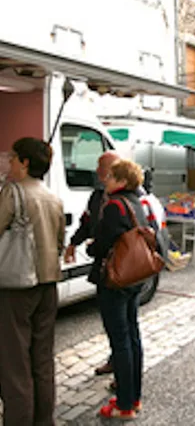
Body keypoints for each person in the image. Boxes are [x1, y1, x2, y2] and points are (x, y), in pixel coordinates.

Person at [0, 137, 65, 426]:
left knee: (14, 362)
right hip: (48, 284)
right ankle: (43, 421)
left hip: (16, 287)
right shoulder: (53, 197)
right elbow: (60, 241)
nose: (8, 162)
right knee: (42, 359)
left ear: (25, 163)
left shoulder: (12, 192)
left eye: (13, 157)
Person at [89, 159, 147, 420]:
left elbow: (102, 245)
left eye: (111, 176)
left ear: (122, 181)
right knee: (132, 337)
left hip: (115, 280)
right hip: (134, 278)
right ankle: (133, 397)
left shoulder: (114, 206)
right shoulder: (137, 202)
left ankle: (124, 405)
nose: (106, 179)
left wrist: (91, 247)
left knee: (120, 341)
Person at [64, 150, 120, 376]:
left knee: (123, 327)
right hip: (104, 269)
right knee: (112, 324)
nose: (97, 171)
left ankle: (124, 376)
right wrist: (73, 243)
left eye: (101, 166)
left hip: (122, 270)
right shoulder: (97, 196)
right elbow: (87, 223)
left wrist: (92, 247)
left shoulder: (128, 198)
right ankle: (116, 361)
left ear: (112, 170)